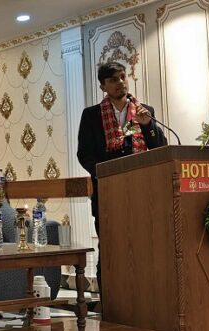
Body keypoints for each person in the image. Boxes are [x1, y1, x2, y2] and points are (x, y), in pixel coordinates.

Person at [77, 61, 167, 296]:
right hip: (107, 195)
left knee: (143, 247)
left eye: (122, 77)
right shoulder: (92, 115)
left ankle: (144, 297)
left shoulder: (144, 111)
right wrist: (104, 174)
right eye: (113, 80)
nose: (120, 83)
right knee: (111, 249)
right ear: (103, 86)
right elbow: (84, 154)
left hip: (142, 193)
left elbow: (160, 147)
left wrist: (148, 126)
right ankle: (110, 300)